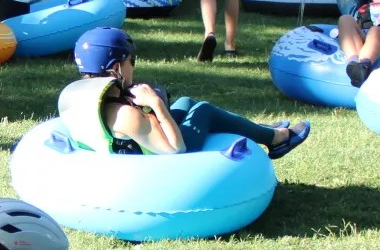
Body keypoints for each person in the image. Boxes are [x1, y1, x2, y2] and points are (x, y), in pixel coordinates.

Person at [63, 26, 309, 158]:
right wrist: (156, 104)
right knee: (203, 111)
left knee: (186, 102)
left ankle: (260, 130)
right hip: (154, 166)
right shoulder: (125, 114)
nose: (133, 66)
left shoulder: (82, 97)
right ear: (117, 67)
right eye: (131, 60)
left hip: (128, 142)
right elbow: (176, 149)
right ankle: (277, 139)